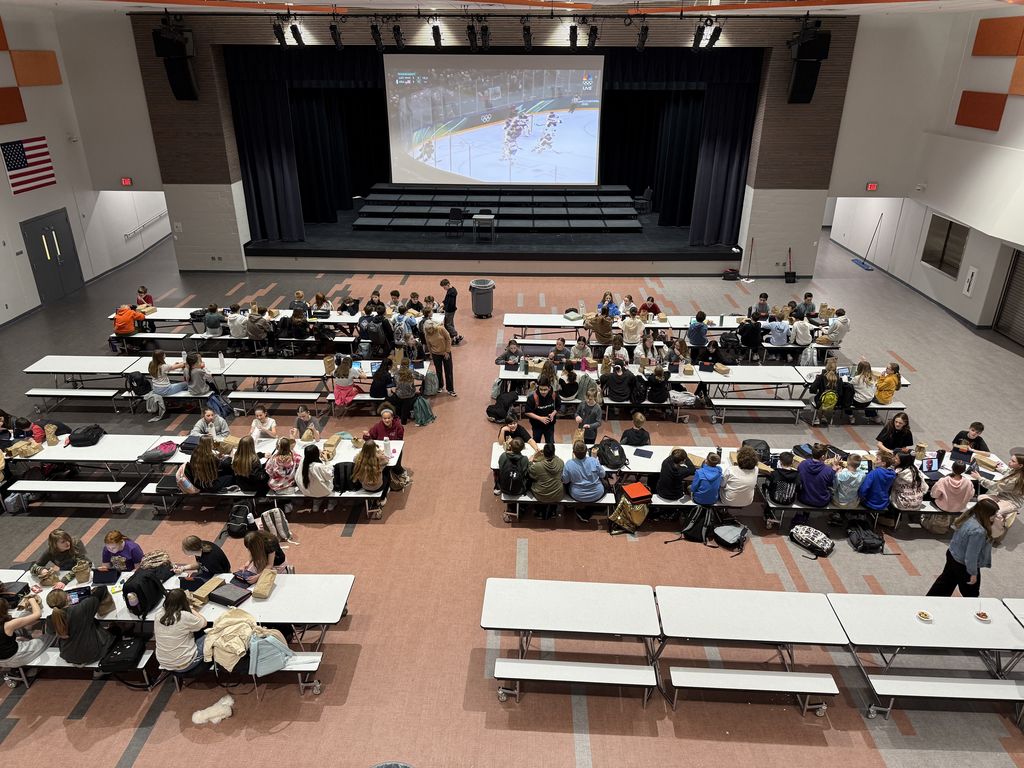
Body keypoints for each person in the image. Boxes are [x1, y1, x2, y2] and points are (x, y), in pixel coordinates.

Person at [926, 499, 998, 598]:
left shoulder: (967, 517)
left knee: (944, 585)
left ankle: (929, 603)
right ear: (986, 514)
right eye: (994, 515)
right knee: (971, 594)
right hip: (964, 565)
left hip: (952, 554)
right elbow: (971, 556)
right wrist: (973, 573)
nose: (995, 517)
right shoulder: (979, 531)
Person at [45, 586, 114, 665]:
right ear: (68, 598)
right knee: (116, 631)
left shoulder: (50, 619)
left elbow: (51, 632)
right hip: (92, 654)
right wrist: (90, 593)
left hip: (68, 655)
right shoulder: (82, 608)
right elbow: (102, 589)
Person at [154, 588, 209, 672]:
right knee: (211, 635)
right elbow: (204, 623)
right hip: (184, 664)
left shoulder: (158, 614)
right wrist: (191, 609)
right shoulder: (184, 616)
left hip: (163, 662)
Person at [974, 453, 1024, 535]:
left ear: (1020, 465)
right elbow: (1008, 471)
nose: (1009, 462)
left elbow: (995, 486)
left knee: (994, 513)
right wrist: (999, 468)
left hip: (1012, 502)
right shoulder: (1017, 470)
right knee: (981, 498)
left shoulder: (1014, 480)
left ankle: (995, 533)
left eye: (1013, 461)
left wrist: (979, 478)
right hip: (1002, 495)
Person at [0, 594, 52, 669]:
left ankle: (29, 638)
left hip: (2, 659)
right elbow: (37, 614)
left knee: (21, 631)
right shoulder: (8, 625)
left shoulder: (8, 625)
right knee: (50, 635)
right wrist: (32, 600)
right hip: (14, 658)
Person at [562, 441, 606, 522]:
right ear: (586, 451)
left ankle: (568, 506)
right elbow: (603, 475)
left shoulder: (569, 464)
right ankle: (589, 511)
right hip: (597, 493)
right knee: (606, 483)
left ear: (574, 452)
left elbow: (565, 481)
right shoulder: (594, 461)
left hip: (577, 495)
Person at [364, 409, 409, 483]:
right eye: (384, 418)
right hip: (380, 450)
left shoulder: (398, 426)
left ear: (392, 418)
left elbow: (399, 440)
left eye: (389, 418)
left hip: (394, 450)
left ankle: (399, 472)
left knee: (395, 466)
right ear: (382, 418)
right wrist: (367, 436)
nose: (387, 420)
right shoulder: (377, 426)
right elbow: (370, 439)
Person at [528, 443, 565, 519]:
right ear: (554, 453)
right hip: (557, 494)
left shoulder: (537, 466)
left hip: (541, 495)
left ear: (544, 453)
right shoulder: (561, 462)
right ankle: (553, 511)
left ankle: (539, 511)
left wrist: (530, 461)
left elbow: (530, 473)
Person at [353, 440, 390, 512]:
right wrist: (380, 453)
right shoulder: (378, 458)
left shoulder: (358, 458)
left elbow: (354, 459)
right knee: (387, 473)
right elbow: (387, 460)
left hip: (364, 486)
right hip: (377, 487)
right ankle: (382, 498)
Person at [424, 314, 456, 396]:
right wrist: (431, 354)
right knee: (438, 371)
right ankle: (440, 386)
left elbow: (448, 338)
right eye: (427, 329)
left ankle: (450, 389)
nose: (429, 330)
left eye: (430, 328)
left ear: (433, 326)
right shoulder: (427, 334)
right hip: (435, 354)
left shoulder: (440, 329)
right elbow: (429, 345)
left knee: (448, 371)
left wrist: (447, 351)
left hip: (445, 353)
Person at [524, 377, 559, 444]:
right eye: (541, 389)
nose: (543, 392)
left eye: (545, 389)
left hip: (550, 425)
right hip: (537, 425)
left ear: (549, 388)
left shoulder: (554, 395)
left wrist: (553, 414)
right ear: (538, 387)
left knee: (550, 444)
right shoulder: (532, 397)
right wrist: (540, 418)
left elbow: (558, 406)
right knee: (536, 443)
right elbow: (527, 412)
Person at [809, 358, 843, 425]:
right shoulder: (839, 378)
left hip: (821, 402)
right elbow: (840, 393)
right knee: (826, 399)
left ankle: (816, 417)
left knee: (811, 399)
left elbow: (812, 389)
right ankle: (824, 416)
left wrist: (817, 389)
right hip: (833, 403)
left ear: (826, 367)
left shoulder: (821, 377)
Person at [891, 453, 925, 519]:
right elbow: (925, 488)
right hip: (917, 504)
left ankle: (891, 518)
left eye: (896, 459)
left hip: (902, 505)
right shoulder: (917, 472)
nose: (893, 459)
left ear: (902, 461)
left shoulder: (898, 473)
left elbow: (891, 485)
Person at [439, 279, 463, 345]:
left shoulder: (450, 293)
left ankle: (457, 336)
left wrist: (443, 308)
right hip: (451, 310)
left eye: (444, 287)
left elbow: (450, 303)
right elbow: (446, 300)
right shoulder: (451, 291)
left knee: (447, 325)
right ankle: (452, 338)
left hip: (449, 311)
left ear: (448, 285)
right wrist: (443, 303)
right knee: (451, 324)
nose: (444, 289)